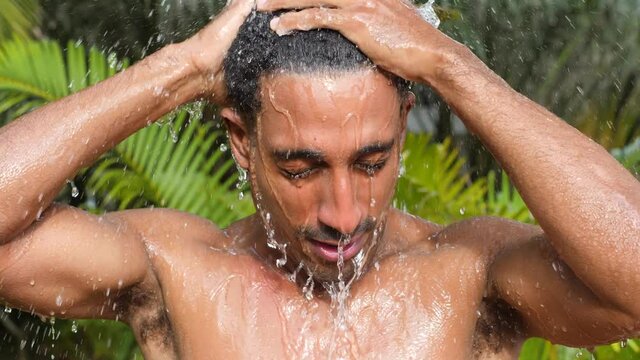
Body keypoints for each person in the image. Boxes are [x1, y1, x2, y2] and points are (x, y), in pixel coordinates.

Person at [0, 0, 638, 358]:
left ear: (404, 124)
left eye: (371, 161)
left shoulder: (468, 274)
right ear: (241, 142)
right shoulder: (178, 270)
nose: (343, 212)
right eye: (300, 168)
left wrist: (451, 67)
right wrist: (183, 69)